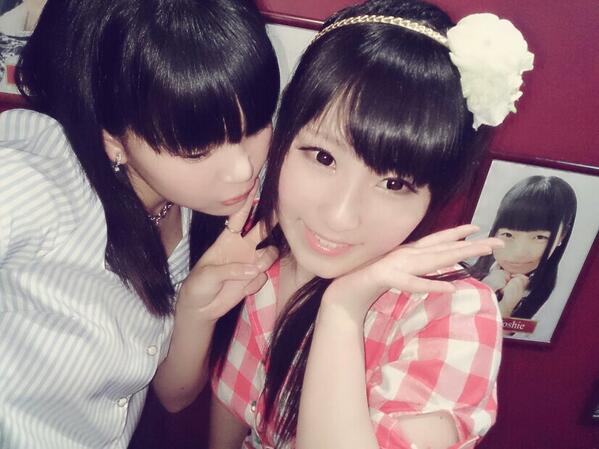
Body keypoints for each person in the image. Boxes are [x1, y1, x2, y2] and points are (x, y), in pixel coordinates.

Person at [167, 1, 532, 448]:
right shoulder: (256, 241)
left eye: (394, 183)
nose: (340, 216)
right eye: (323, 157)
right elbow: (205, 405)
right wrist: (195, 309)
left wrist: (342, 310)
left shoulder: (450, 313)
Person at [0, 0, 280, 447]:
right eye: (196, 151)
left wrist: (195, 308)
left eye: (257, 125)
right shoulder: (35, 177)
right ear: (113, 139)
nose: (243, 170)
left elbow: (173, 396)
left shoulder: (200, 211)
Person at [472, 176, 577, 320]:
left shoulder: (564, 301)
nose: (518, 253)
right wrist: (483, 291)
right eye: (508, 234)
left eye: (539, 237)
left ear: (562, 236)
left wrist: (506, 308)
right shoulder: (462, 264)